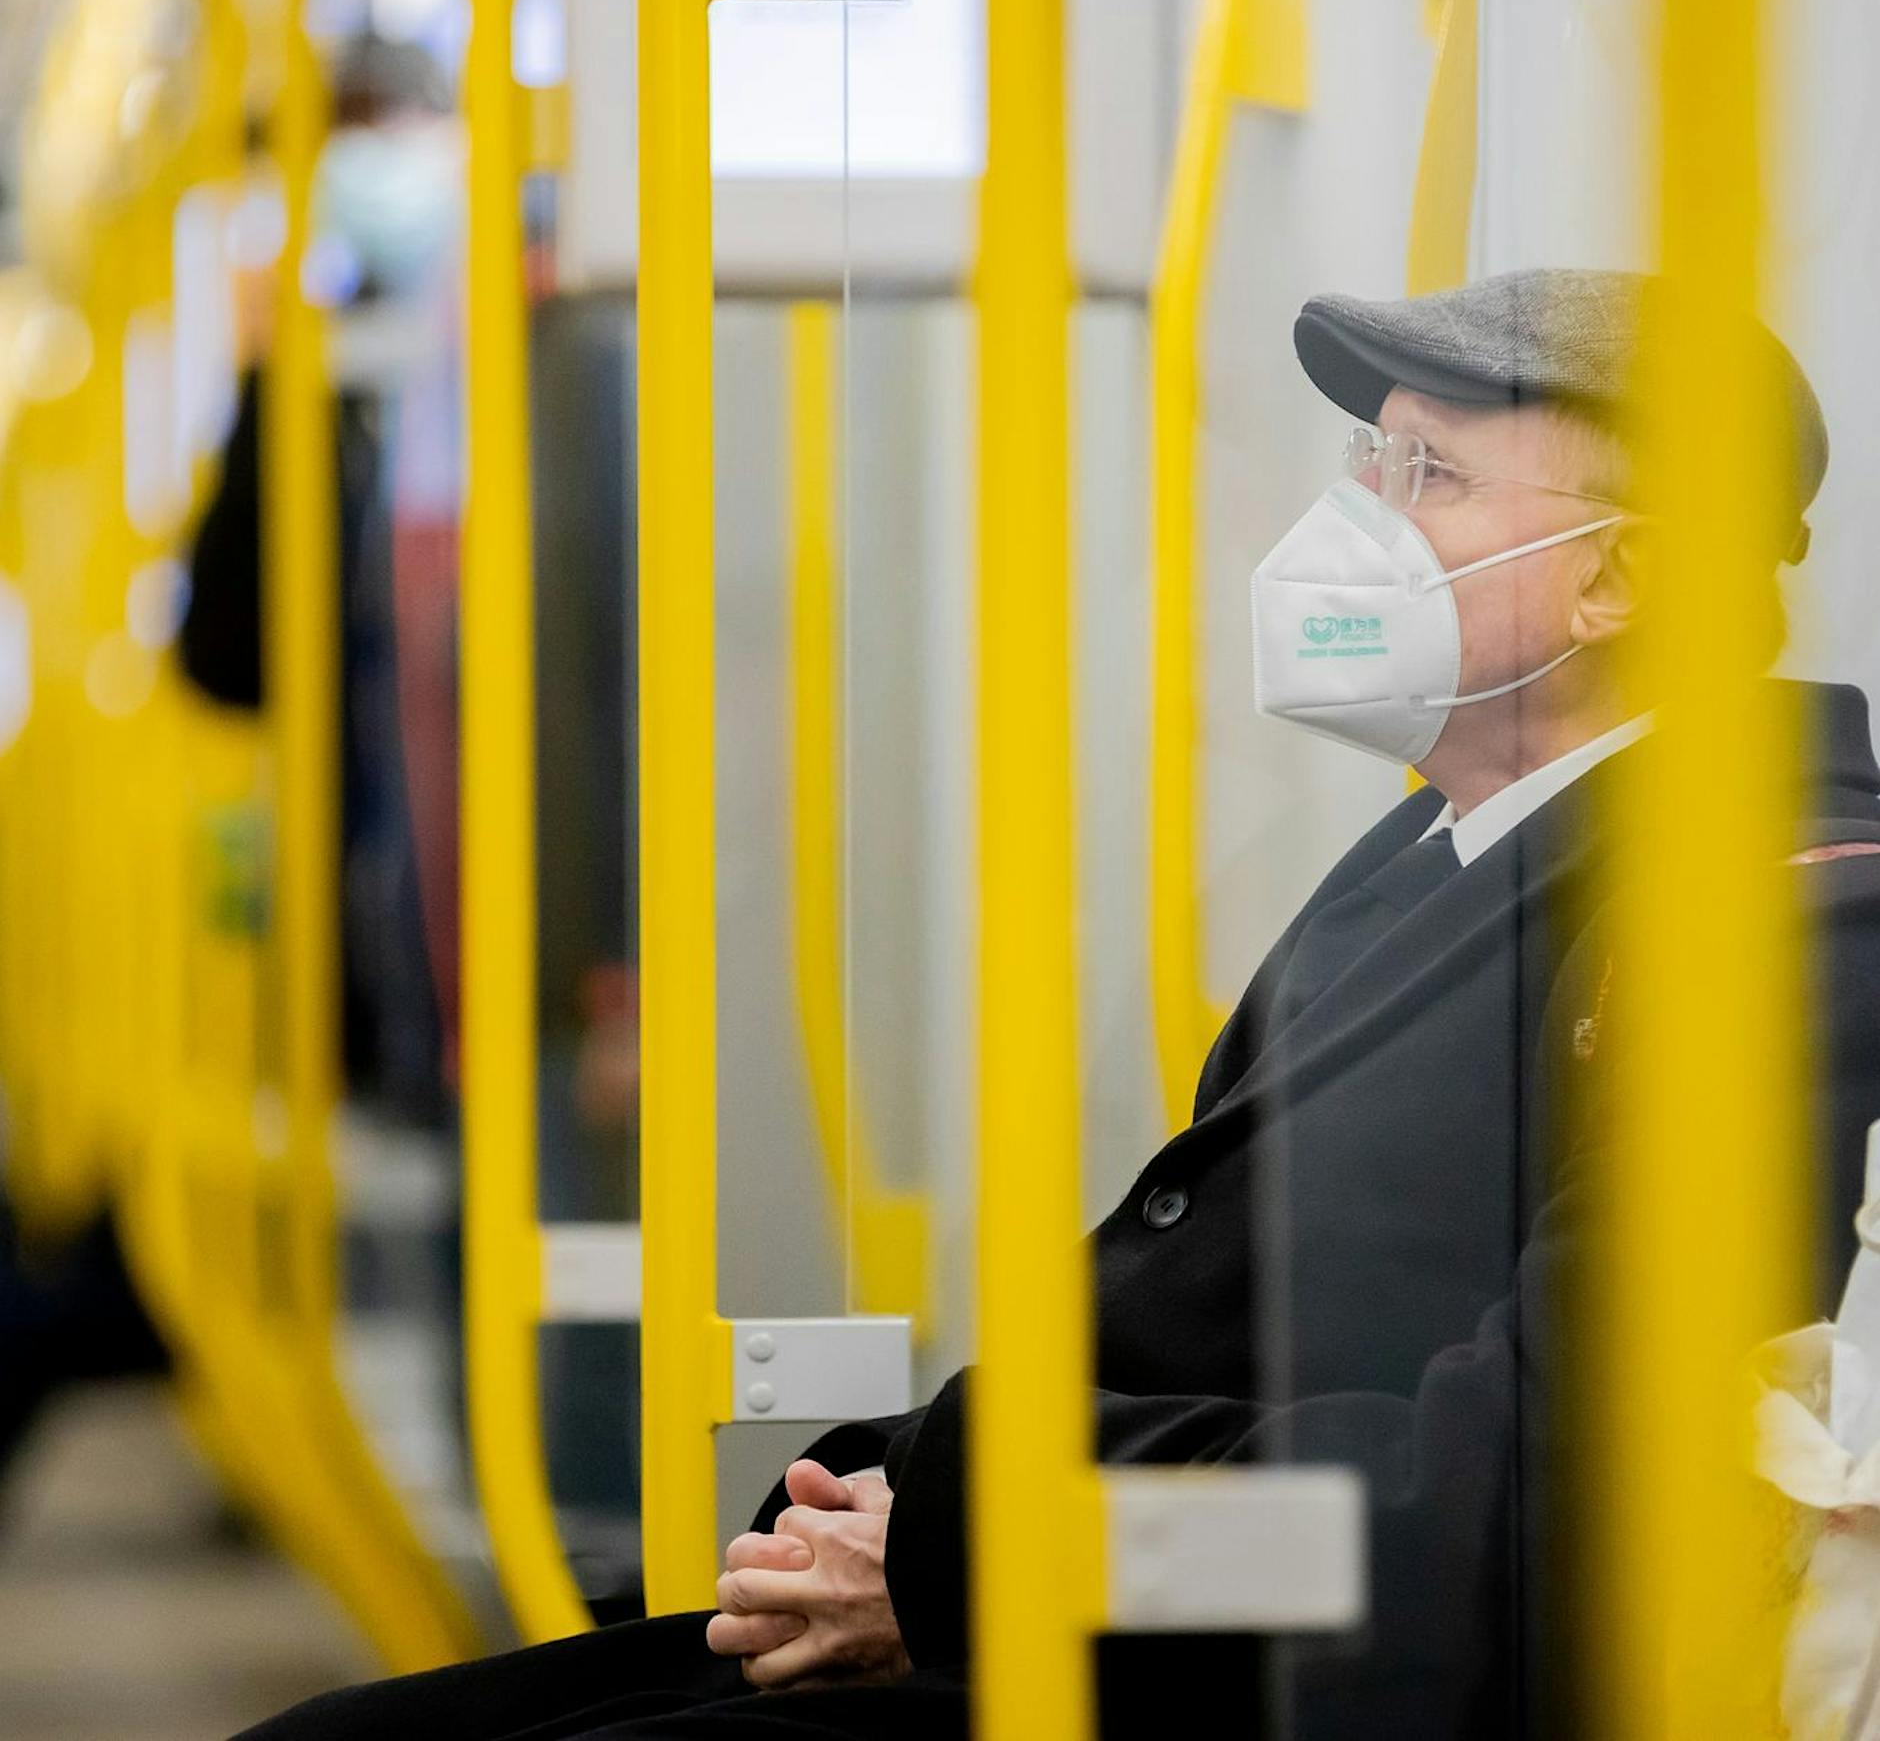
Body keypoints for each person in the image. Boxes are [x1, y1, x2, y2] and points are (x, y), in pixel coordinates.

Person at [236, 269, 1880, 1740]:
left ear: (1616, 585)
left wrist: (987, 1547)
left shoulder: (1778, 929)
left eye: (1429, 477)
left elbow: (1528, 1511)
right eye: (1368, 463)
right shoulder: (1446, 847)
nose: (1356, 522)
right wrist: (881, 1514)